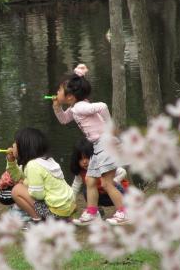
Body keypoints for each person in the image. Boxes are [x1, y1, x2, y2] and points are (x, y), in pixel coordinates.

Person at [52, 64, 129, 225]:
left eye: (59, 90)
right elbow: (64, 120)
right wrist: (57, 108)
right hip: (98, 146)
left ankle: (124, 213)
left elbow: (103, 106)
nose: (57, 93)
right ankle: (92, 212)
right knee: (90, 181)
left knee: (107, 183)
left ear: (70, 97)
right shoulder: (75, 108)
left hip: (105, 144)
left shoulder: (81, 107)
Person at [6, 127, 75, 222]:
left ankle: (37, 220)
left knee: (16, 190)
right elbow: (18, 176)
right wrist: (11, 162)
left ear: (24, 147)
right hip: (68, 209)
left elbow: (38, 195)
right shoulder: (45, 161)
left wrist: (26, 184)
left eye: (15, 143)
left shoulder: (32, 165)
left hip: (55, 212)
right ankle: (64, 219)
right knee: (21, 185)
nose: (12, 145)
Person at [70, 139, 129, 218]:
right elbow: (75, 187)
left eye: (87, 158)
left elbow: (122, 172)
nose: (84, 161)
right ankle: (96, 212)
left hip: (119, 193)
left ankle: (124, 208)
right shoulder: (81, 172)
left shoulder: (103, 164)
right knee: (87, 192)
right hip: (103, 196)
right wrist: (71, 202)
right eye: (81, 159)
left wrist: (114, 181)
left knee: (109, 185)